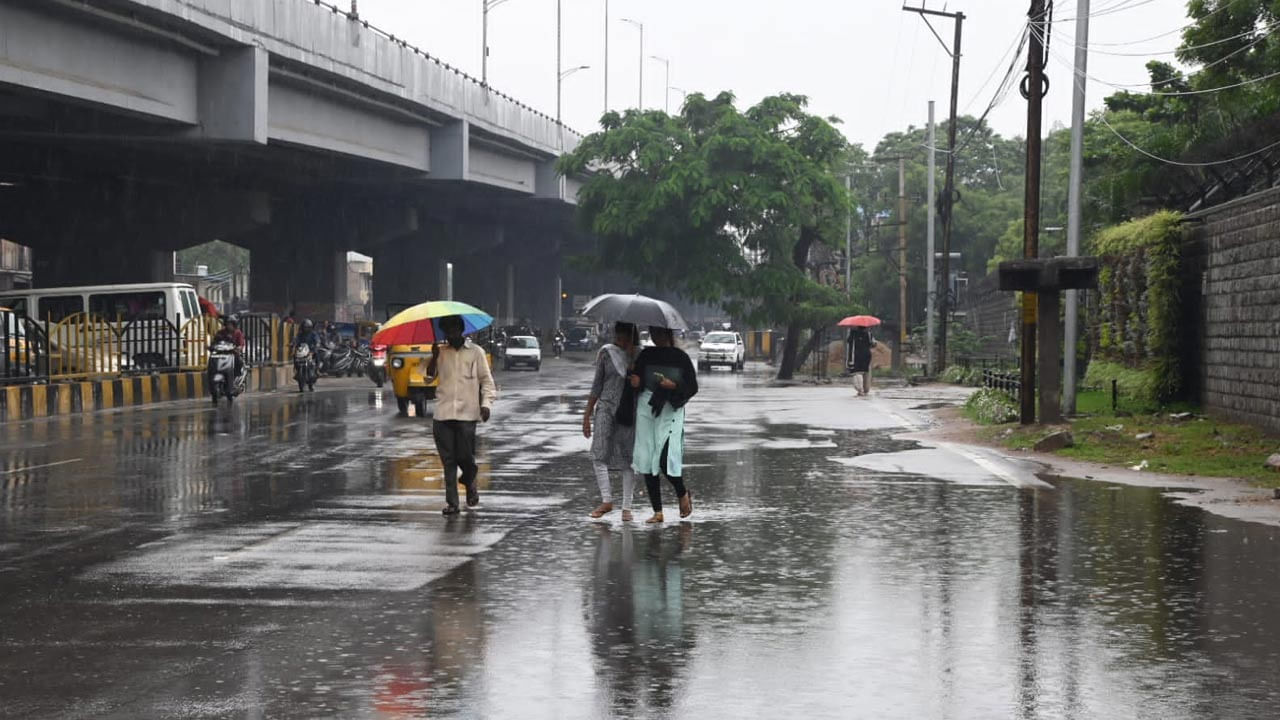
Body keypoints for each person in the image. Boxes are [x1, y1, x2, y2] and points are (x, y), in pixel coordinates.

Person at [427, 315, 498, 516]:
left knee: (466, 459)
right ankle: (452, 503)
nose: (450, 334)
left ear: (460, 330)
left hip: (468, 415)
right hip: (443, 415)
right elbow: (428, 376)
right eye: (446, 331)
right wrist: (433, 356)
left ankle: (469, 482)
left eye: (453, 329)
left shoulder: (476, 352)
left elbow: (487, 381)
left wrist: (486, 404)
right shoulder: (440, 352)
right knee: (448, 461)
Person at [630, 326, 698, 524]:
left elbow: (692, 386)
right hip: (647, 408)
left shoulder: (680, 358)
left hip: (671, 410)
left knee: (665, 459)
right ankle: (657, 511)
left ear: (668, 334)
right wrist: (635, 382)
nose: (656, 338)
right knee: (646, 458)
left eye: (659, 334)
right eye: (653, 334)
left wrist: (675, 386)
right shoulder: (646, 355)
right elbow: (637, 381)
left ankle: (682, 493)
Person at [583, 322, 641, 521]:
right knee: (598, 454)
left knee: (628, 460)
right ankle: (606, 500)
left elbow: (649, 385)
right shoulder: (606, 353)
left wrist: (637, 376)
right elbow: (597, 385)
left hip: (629, 413)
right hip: (605, 409)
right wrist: (587, 415)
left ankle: (627, 507)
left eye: (625, 338)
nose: (620, 342)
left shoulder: (640, 355)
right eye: (618, 337)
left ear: (632, 337)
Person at [212, 314, 246, 379]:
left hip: (233, 354)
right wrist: (212, 346)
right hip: (222, 354)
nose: (229, 326)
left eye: (230, 324)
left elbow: (241, 344)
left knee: (238, 361)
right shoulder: (221, 332)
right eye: (228, 324)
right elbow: (215, 341)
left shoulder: (238, 333)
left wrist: (238, 348)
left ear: (234, 325)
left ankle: (236, 376)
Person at [847, 327, 875, 396]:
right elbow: (873, 343)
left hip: (855, 355)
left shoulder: (852, 334)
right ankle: (865, 390)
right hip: (866, 355)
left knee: (856, 372)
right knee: (866, 372)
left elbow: (848, 341)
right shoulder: (868, 334)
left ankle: (860, 390)